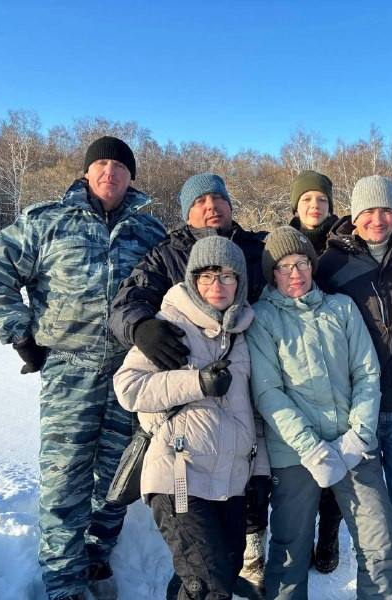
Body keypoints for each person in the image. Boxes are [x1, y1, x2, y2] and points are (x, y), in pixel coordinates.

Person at [0, 136, 166, 600]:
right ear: (86, 172)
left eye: (119, 166)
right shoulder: (47, 222)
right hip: (69, 368)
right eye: (101, 164)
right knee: (65, 476)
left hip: (130, 371)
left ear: (131, 177)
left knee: (120, 473)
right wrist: (18, 331)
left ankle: (96, 554)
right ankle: (62, 580)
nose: (109, 173)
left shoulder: (150, 232)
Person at [108, 172, 270, 598]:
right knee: (210, 580)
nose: (211, 205)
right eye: (200, 201)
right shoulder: (168, 259)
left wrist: (261, 468)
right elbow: (129, 306)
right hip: (182, 464)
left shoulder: (256, 254)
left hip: (232, 464)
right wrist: (142, 328)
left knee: (206, 574)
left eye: (219, 197)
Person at [246, 226, 392, 599]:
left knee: (380, 546)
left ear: (312, 266)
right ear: (272, 274)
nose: (295, 273)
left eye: (301, 263)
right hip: (295, 453)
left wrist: (358, 436)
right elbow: (269, 393)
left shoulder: (341, 309)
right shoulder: (262, 319)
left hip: (353, 444)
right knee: (289, 549)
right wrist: (310, 448)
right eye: (284, 267)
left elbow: (366, 373)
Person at [317, 175, 392, 600]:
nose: (377, 219)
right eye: (368, 211)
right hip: (358, 412)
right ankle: (380, 589)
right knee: (371, 514)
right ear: (355, 215)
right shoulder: (331, 265)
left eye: (385, 210)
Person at [288, 169, 343, 573]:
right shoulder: (277, 243)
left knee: (335, 454)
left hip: (337, 354)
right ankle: (298, 536)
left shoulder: (346, 242)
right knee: (297, 460)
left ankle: (328, 537)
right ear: (296, 206)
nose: (314, 205)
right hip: (293, 361)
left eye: (321, 199)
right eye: (306, 199)